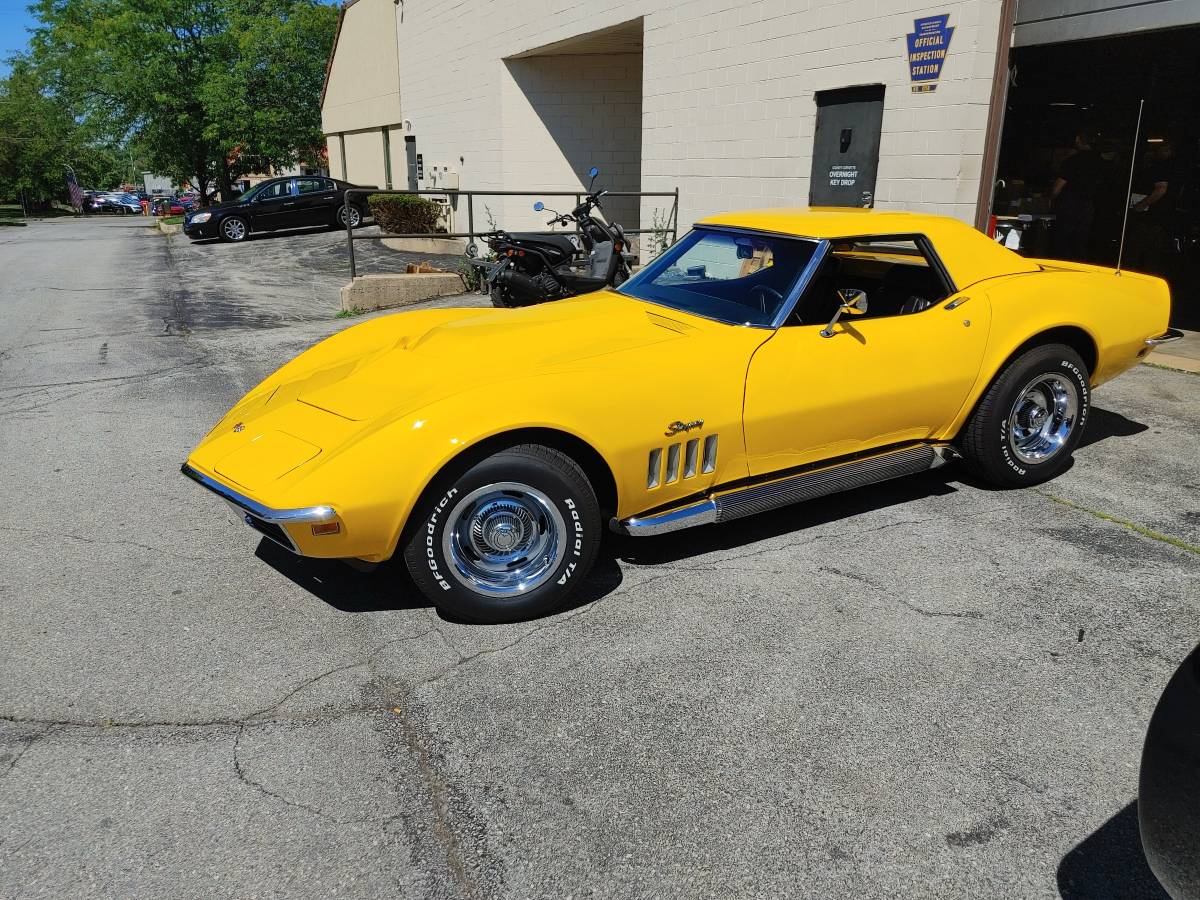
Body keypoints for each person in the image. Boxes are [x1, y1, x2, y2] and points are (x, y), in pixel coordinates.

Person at [1124, 139, 1177, 273]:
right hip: (1160, 216)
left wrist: (1142, 205)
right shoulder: (1173, 168)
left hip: (1150, 216)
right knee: (1151, 254)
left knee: (1136, 250)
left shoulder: (1162, 167)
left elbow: (1161, 189)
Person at [1050, 130, 1103, 262]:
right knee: (1080, 241)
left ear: (1078, 140)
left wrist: (1051, 198)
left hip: (1070, 203)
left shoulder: (1073, 161)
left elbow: (1058, 186)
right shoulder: (1099, 161)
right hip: (1089, 205)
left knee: (1063, 239)